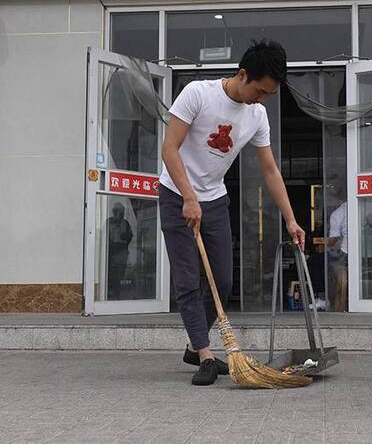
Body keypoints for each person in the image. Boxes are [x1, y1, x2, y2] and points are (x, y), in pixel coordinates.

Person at [159, 39, 305, 386]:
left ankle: (195, 344)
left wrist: (290, 218)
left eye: (270, 94)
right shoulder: (198, 94)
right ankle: (206, 355)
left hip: (215, 200)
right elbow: (169, 148)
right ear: (242, 74)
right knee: (188, 279)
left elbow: (270, 170)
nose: (263, 98)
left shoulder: (256, 115)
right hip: (176, 194)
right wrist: (188, 196)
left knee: (222, 280)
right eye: (260, 90)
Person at [327, 186, 348, 311]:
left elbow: (333, 238)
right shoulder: (362, 206)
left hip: (346, 253)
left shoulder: (337, 213)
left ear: (337, 198)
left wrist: (327, 244)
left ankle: (326, 299)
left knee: (319, 262)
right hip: (366, 254)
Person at [107, 202, 133, 300]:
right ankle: (109, 292)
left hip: (121, 250)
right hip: (111, 251)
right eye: (118, 211)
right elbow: (104, 235)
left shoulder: (125, 223)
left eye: (121, 212)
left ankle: (117, 293)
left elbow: (130, 236)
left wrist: (124, 238)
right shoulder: (109, 222)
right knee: (110, 272)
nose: (120, 213)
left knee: (120, 273)